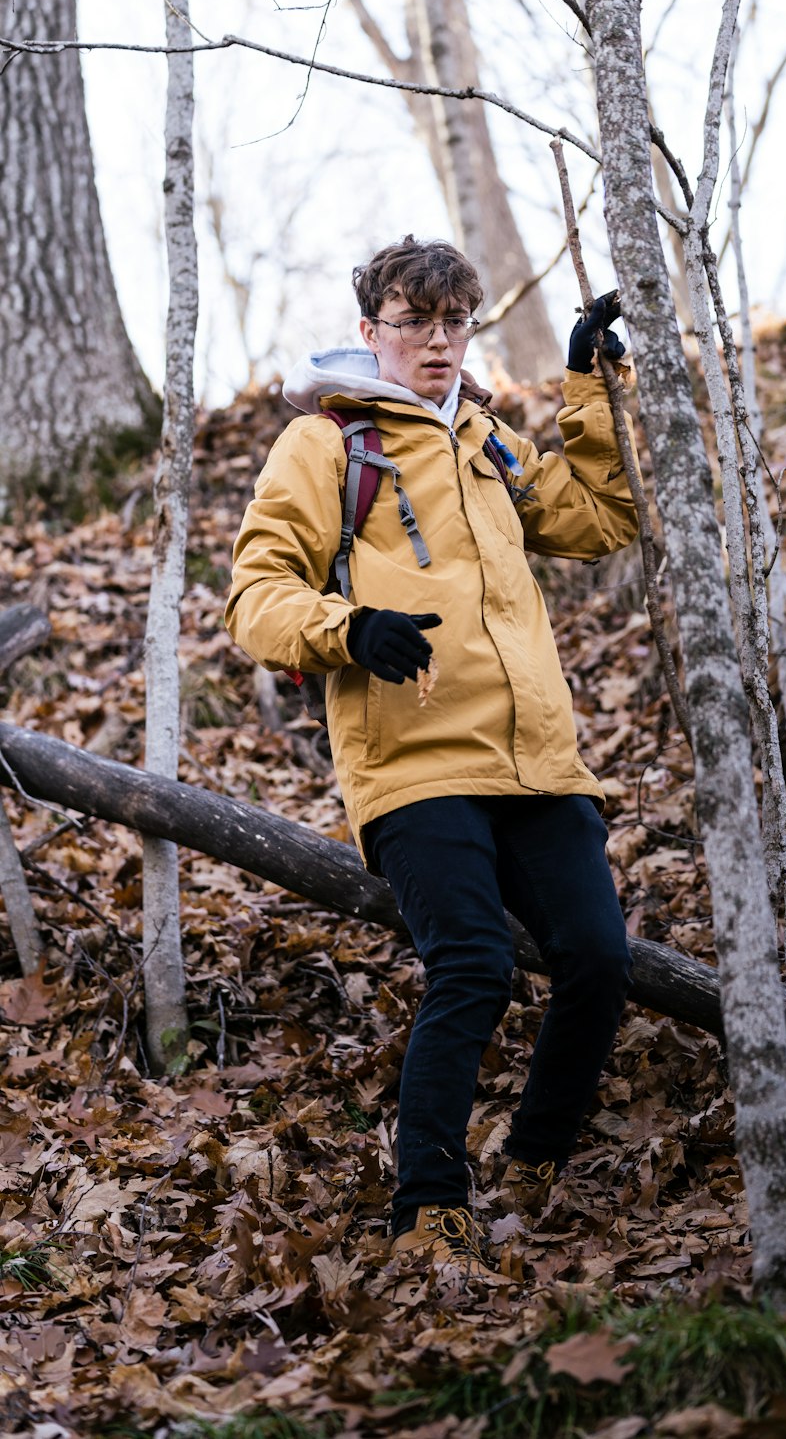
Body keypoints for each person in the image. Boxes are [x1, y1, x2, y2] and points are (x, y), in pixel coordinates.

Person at [225, 235, 639, 1282]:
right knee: (473, 964)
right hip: (413, 763)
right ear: (371, 333)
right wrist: (349, 629)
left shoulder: (490, 443)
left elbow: (598, 521)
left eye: (455, 322)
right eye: (415, 323)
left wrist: (594, 383)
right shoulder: (327, 446)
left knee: (597, 959)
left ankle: (537, 1157)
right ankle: (430, 1205)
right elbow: (253, 596)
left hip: (537, 763)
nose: (439, 343)